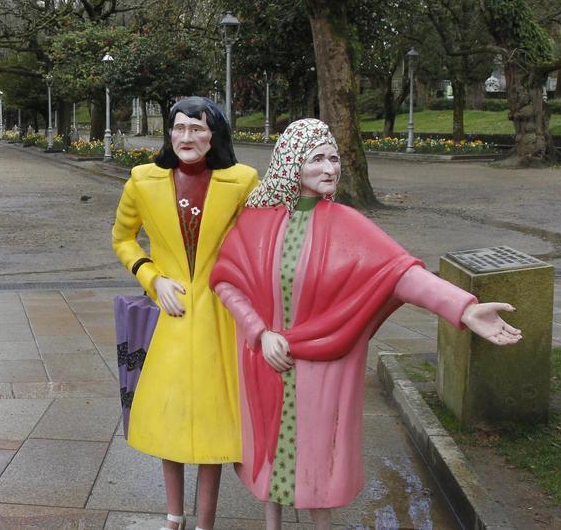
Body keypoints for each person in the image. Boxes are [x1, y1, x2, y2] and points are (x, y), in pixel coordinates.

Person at [210, 119, 522, 530]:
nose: (331, 168)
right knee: (270, 460)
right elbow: (227, 281)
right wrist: (259, 332)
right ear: (291, 163)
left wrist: (463, 308)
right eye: (318, 158)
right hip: (265, 361)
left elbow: (401, 274)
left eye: (334, 158)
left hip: (324, 364)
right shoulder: (257, 222)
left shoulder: (347, 224)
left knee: (318, 459)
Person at [111, 96, 259, 530]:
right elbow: (123, 238)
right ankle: (174, 516)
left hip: (220, 317)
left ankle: (205, 522)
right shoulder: (142, 180)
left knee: (214, 423)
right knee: (169, 418)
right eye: (180, 128)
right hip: (169, 320)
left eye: (197, 128)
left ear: (214, 135)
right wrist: (152, 278)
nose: (187, 137)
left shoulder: (243, 181)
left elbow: (257, 241)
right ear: (169, 133)